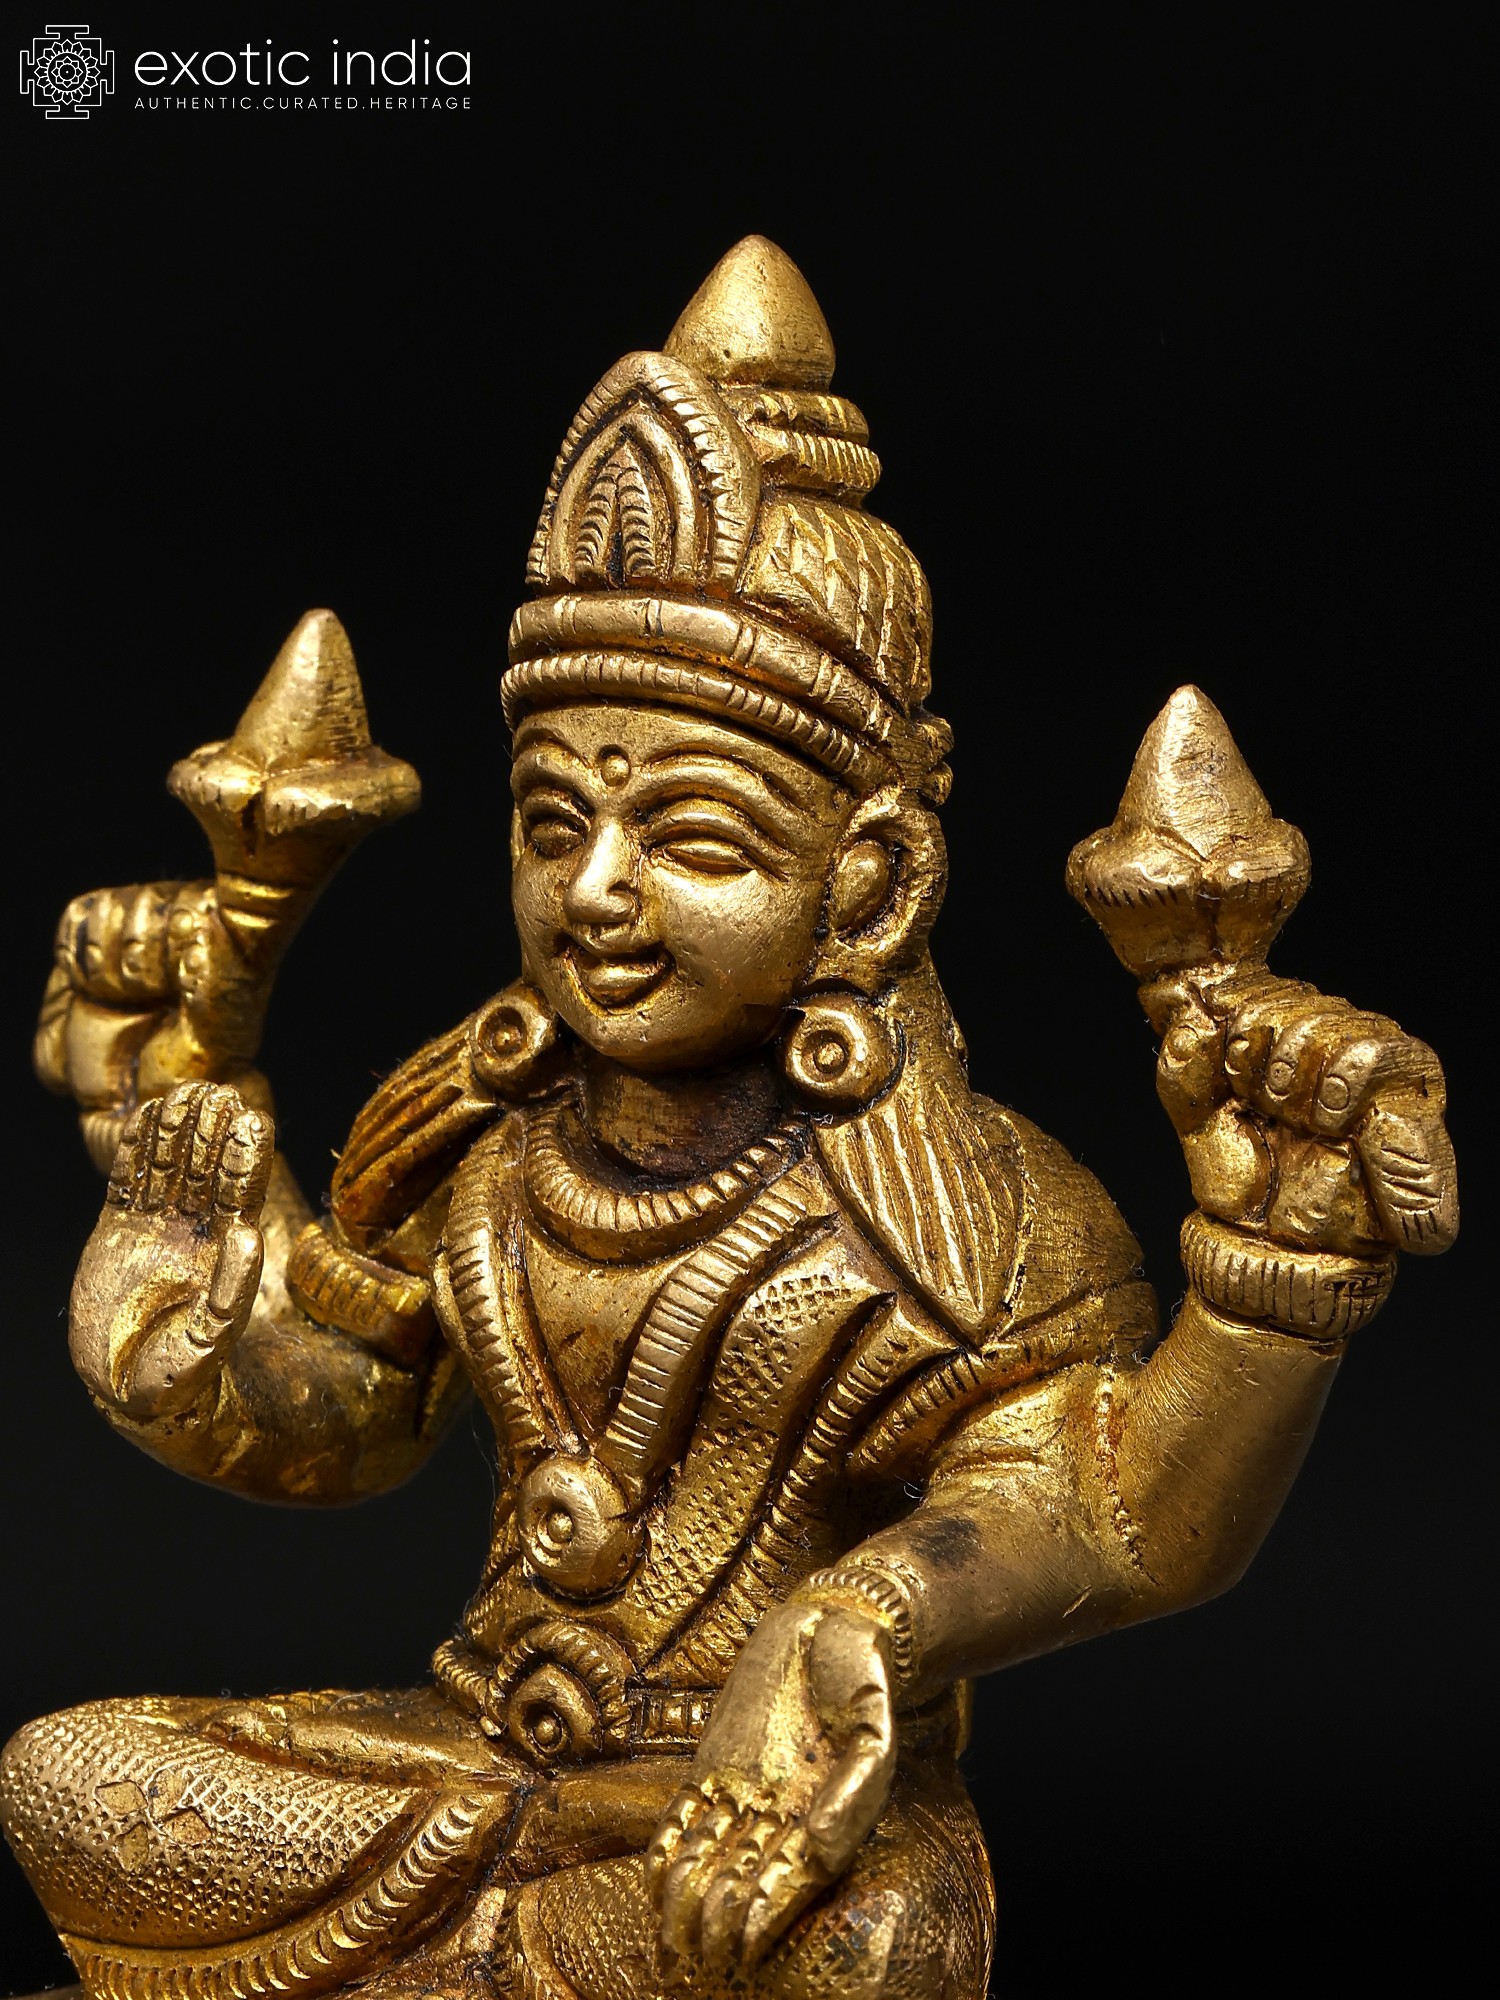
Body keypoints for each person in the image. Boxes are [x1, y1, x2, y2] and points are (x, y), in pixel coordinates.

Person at [0, 238, 1457, 1999]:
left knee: (865, 1945)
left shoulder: (973, 1219)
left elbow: (1123, 1516)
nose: (596, 891)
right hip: (470, 1766)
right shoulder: (487, 1138)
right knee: (74, 1779)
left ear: (870, 882)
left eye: (690, 839)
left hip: (766, 1799)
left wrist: (1268, 1290)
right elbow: (350, 1424)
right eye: (553, 825)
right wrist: (167, 1255)